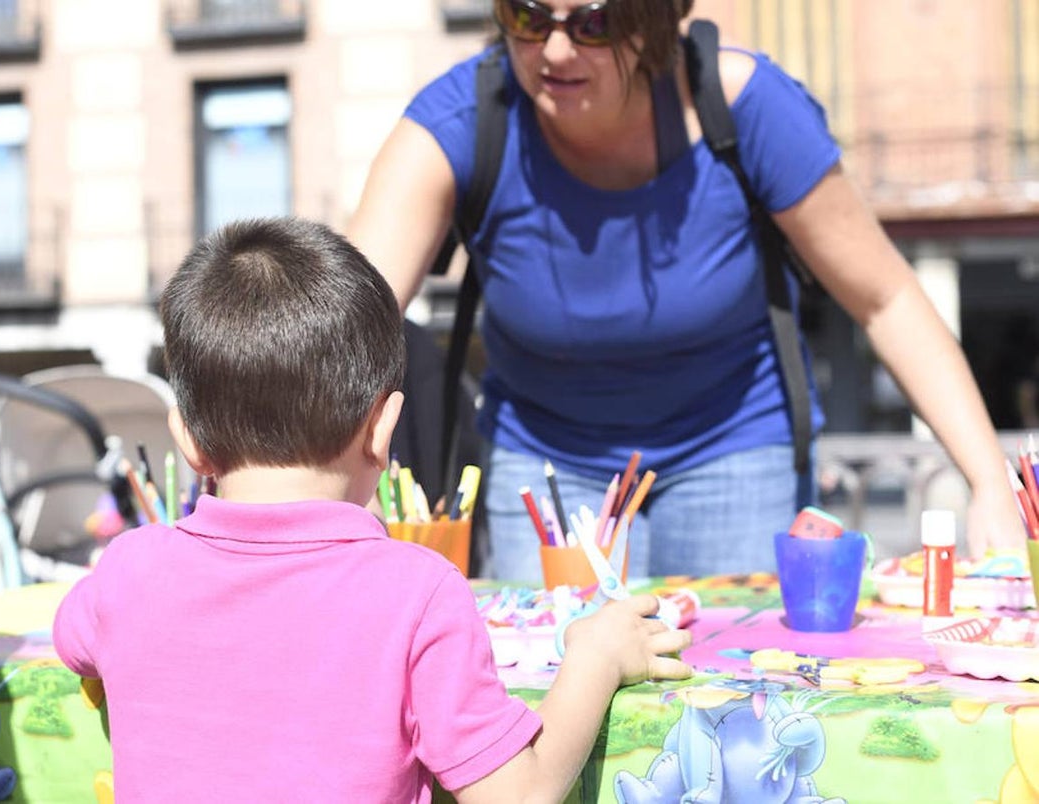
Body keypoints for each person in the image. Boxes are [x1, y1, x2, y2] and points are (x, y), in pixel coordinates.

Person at [346, 0, 1026, 581]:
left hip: (733, 450)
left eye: (594, 22)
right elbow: (344, 333)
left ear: (657, 17)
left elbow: (886, 300)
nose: (552, 49)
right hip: (549, 465)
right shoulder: (460, 121)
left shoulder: (744, 107)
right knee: (556, 697)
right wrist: (339, 489)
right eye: (526, 16)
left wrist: (989, 483)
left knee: (731, 704)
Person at [52, 217, 692, 802]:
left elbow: (76, 642)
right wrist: (596, 658)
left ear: (185, 440)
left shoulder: (129, 568)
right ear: (383, 428)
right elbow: (517, 795)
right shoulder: (418, 593)